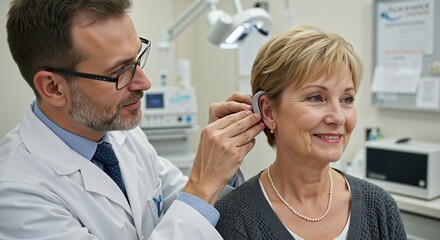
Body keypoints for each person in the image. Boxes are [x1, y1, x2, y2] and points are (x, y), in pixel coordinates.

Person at [0, 0, 265, 239]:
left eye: (138, 58)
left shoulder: (118, 134)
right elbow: (194, 200)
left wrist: (216, 165)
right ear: (53, 88)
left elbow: (181, 202)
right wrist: (204, 181)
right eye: (120, 71)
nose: (144, 82)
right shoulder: (18, 194)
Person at [215, 24, 406, 239]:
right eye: (316, 97)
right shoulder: (235, 219)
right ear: (269, 112)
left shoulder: (379, 208)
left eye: (347, 99)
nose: (338, 117)